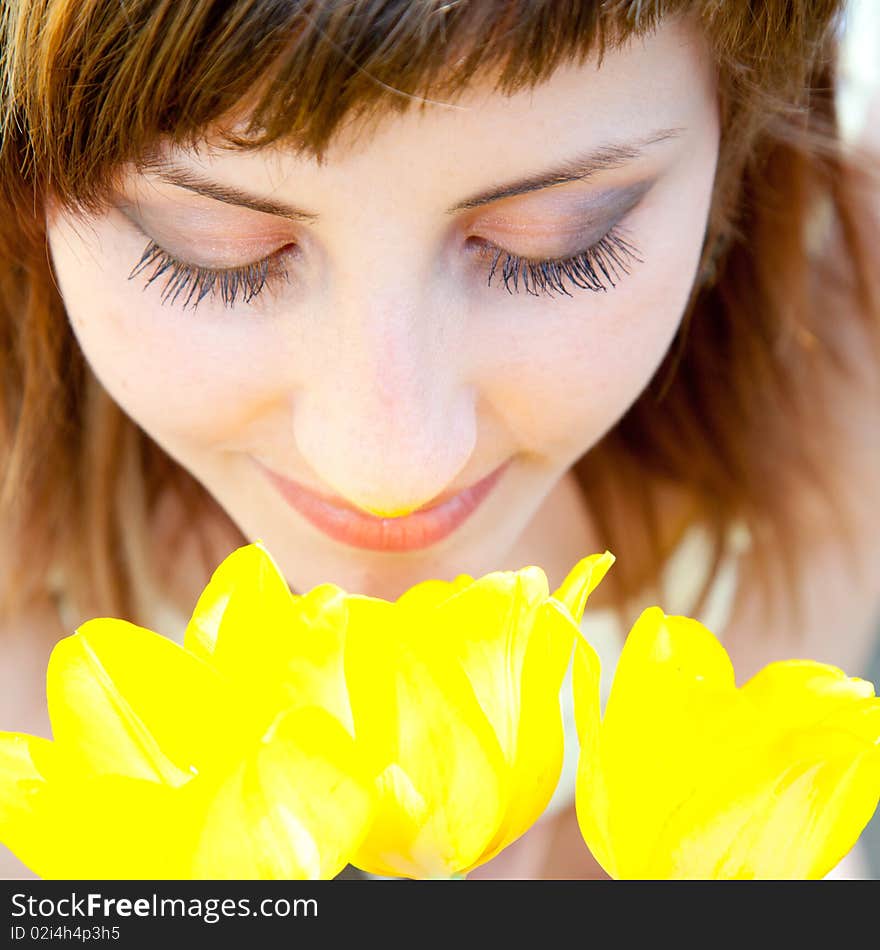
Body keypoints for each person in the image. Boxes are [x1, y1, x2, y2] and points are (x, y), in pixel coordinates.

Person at [1, 0, 878, 880]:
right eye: (213, 251)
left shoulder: (833, 386)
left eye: (554, 245)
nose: (390, 465)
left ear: (751, 126)